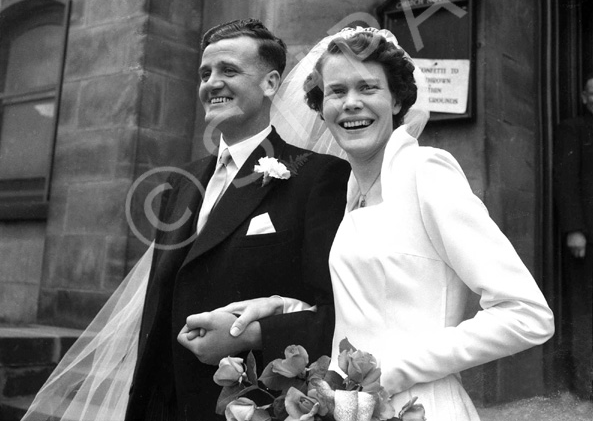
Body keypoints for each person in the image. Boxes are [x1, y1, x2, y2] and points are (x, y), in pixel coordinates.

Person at [212, 28, 555, 420]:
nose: (351, 103)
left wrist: (389, 374)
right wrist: (280, 307)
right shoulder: (351, 191)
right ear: (321, 106)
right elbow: (365, 310)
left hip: (419, 406)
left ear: (396, 100)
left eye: (368, 88)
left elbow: (526, 315)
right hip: (352, 409)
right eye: (336, 92)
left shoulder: (425, 172)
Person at [22, 19, 350, 421]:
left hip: (251, 404)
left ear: (270, 83)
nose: (212, 83)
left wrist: (250, 335)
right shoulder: (182, 182)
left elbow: (332, 311)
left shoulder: (318, 177)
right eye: (205, 73)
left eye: (229, 70)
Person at [554, 73, 593, 398]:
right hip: (588, 238)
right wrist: (575, 230)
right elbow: (566, 182)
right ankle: (587, 384)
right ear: (584, 98)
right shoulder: (574, 129)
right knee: (584, 310)